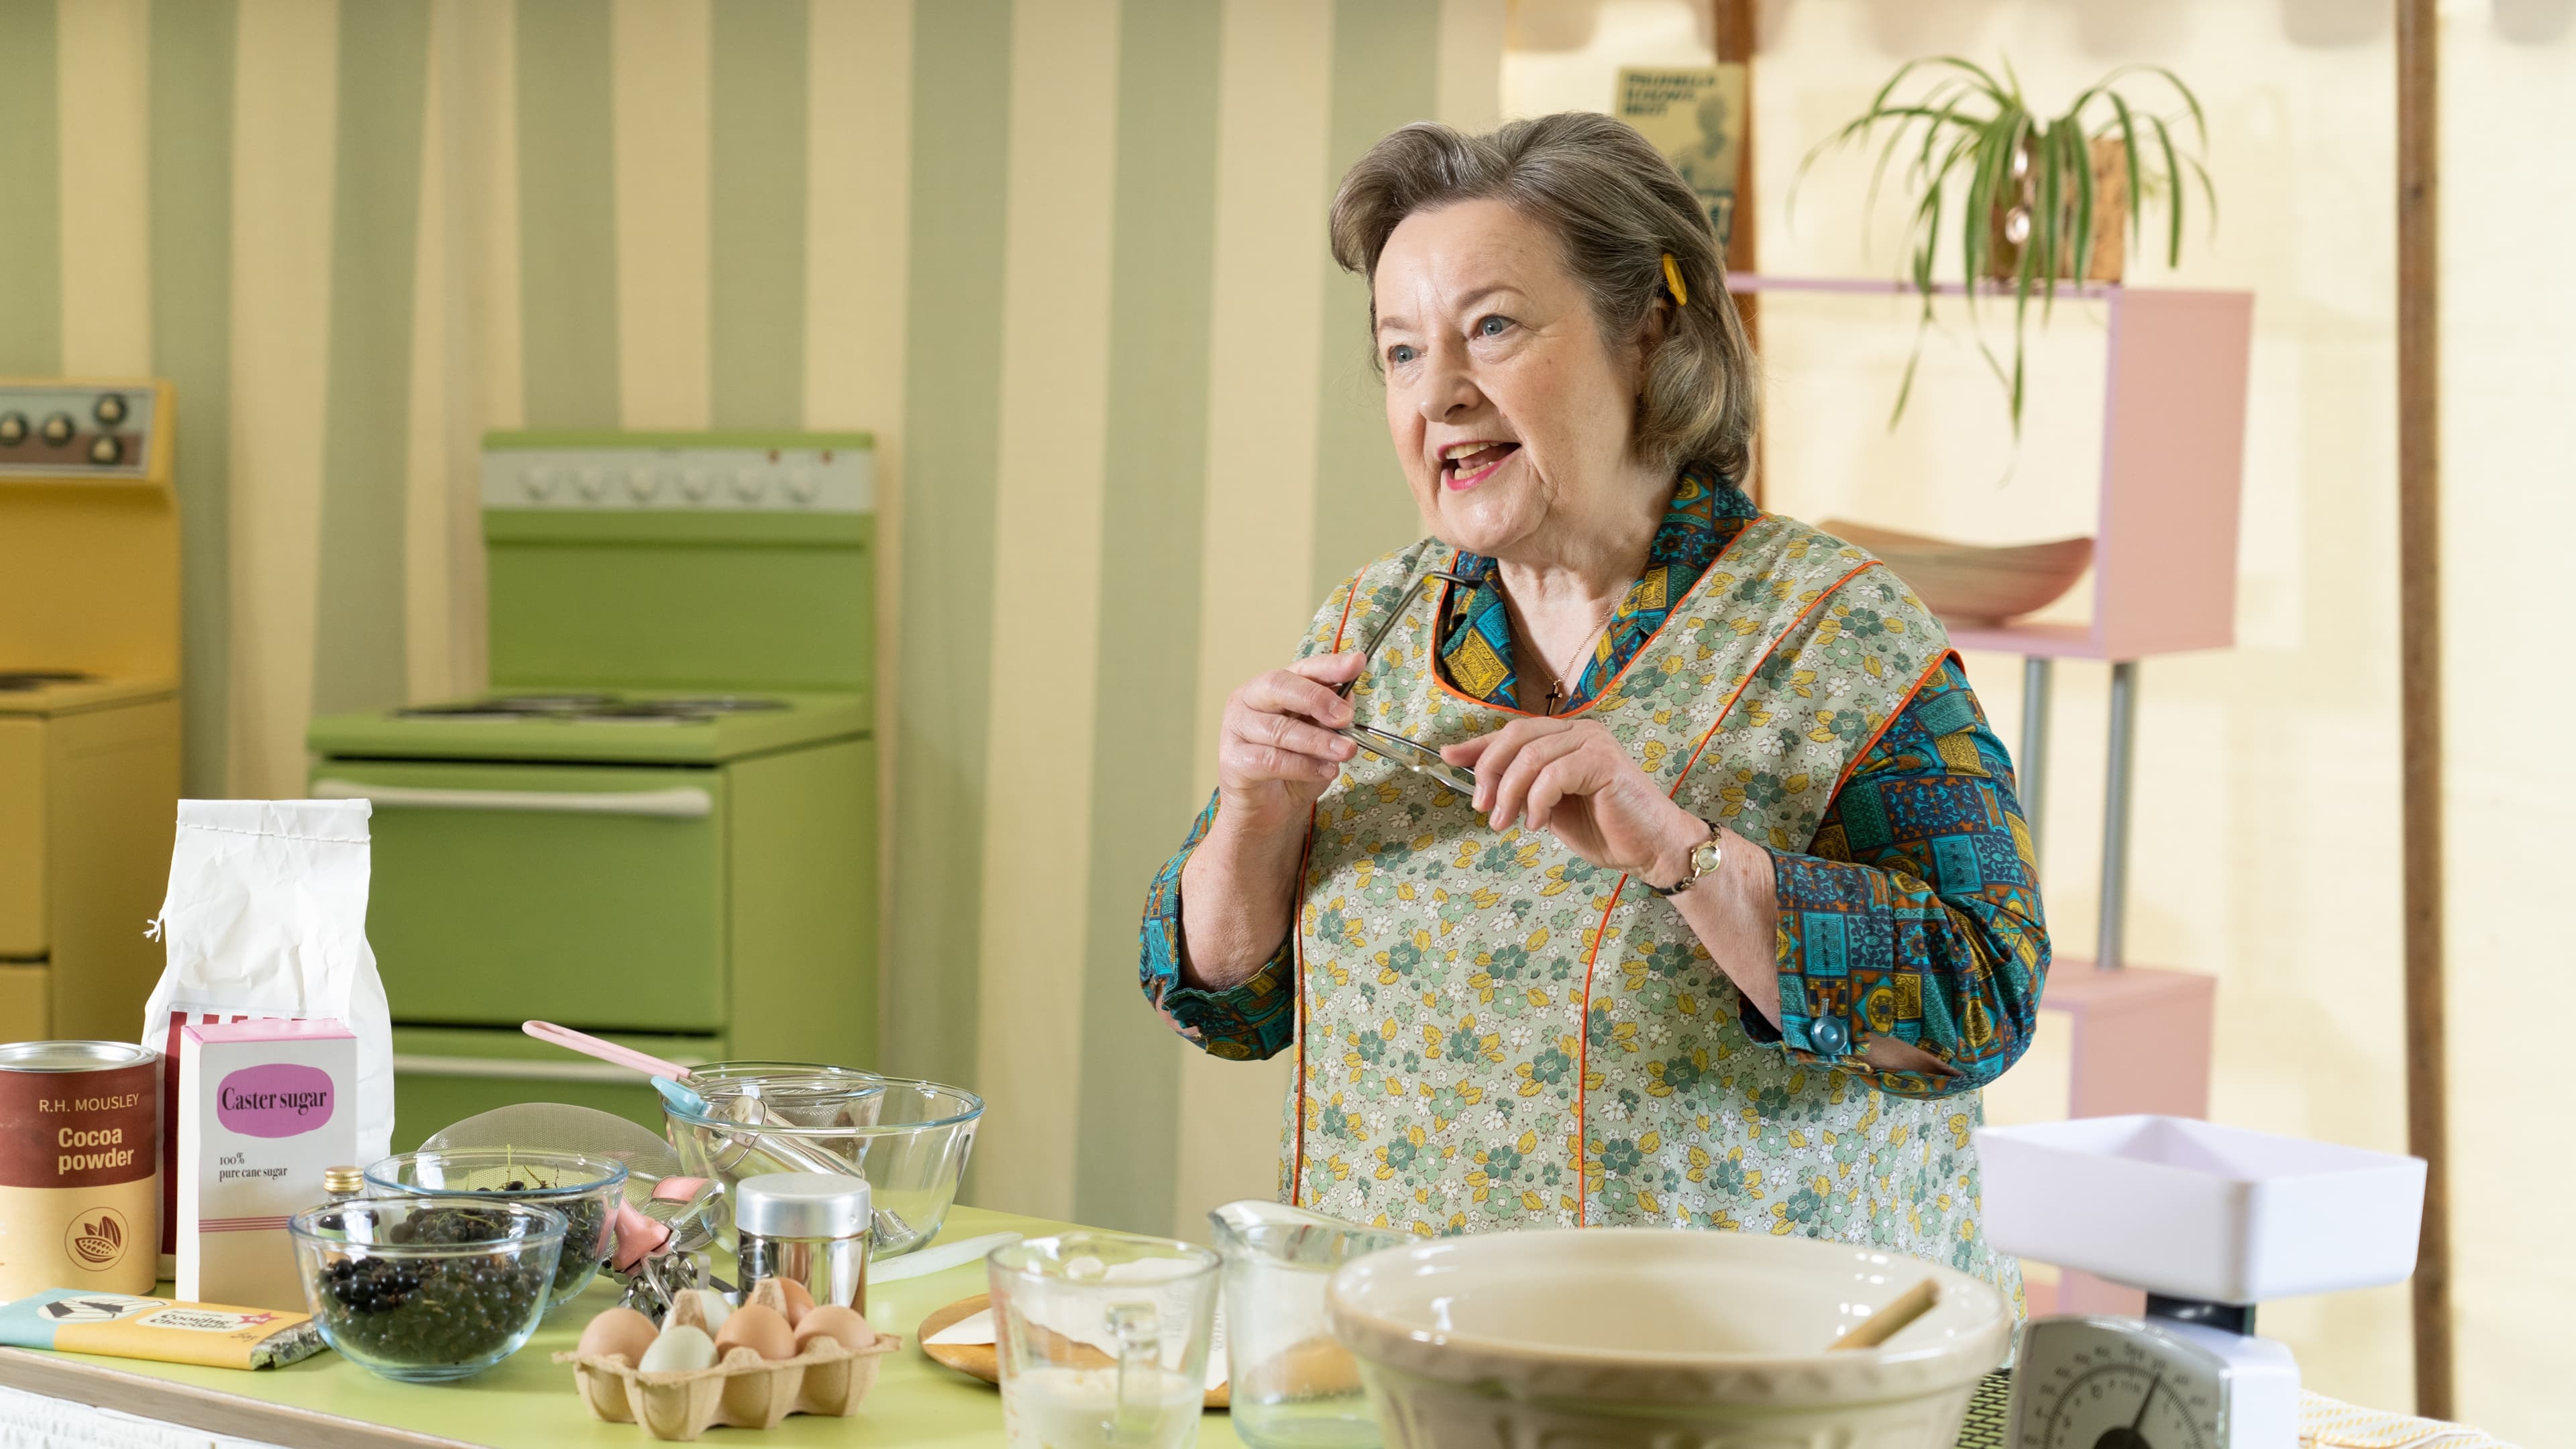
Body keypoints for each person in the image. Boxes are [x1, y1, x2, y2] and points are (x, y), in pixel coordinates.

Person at [1136, 113, 2046, 1299]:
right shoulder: (1370, 624)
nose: (1440, 393)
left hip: (1764, 1366)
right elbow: (1224, 1005)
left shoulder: (1839, 634)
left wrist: (1685, 855)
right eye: (1402, 352)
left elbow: (1982, 1000)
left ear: (1648, 330)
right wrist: (1255, 815)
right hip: (1410, 1355)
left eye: (1492, 328)